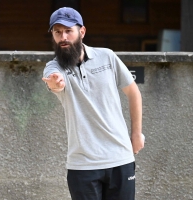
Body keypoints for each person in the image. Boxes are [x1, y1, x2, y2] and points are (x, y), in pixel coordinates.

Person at [42, 7, 144, 200]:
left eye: (68, 31)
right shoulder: (54, 67)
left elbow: (133, 92)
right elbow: (55, 83)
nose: (62, 37)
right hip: (82, 165)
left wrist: (136, 134)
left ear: (81, 32)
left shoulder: (107, 57)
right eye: (57, 32)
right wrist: (56, 83)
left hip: (120, 158)